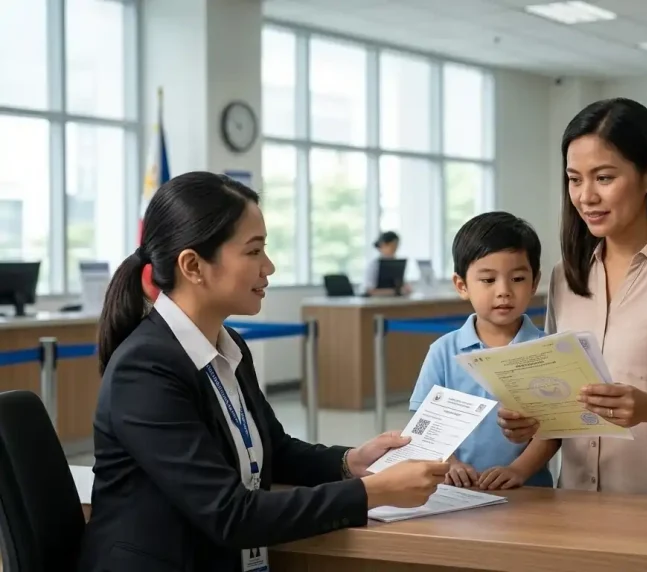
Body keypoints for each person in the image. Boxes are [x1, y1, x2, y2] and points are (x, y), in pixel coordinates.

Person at [78, 172, 449, 572]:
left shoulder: (228, 344)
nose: (268, 267)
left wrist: (352, 462)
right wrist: (370, 492)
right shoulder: (145, 370)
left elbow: (275, 450)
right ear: (193, 265)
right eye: (253, 251)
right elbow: (229, 514)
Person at [498, 97, 647, 499]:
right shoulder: (566, 276)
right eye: (574, 180)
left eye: (604, 178)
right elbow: (560, 400)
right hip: (575, 507)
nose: (586, 196)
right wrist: (534, 419)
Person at [409, 211, 558, 490]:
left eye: (517, 279)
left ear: (535, 282)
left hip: (528, 490)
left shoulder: (547, 350)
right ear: (462, 285)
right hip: (455, 490)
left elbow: (555, 429)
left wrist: (518, 470)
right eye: (488, 280)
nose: (504, 291)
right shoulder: (444, 351)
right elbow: (424, 420)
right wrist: (450, 463)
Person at [363, 230, 410, 296]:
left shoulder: (397, 265)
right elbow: (370, 290)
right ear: (382, 246)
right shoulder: (373, 265)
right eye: (391, 246)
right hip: (376, 302)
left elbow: (400, 284)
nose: (394, 249)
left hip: (394, 301)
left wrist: (406, 288)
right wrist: (395, 291)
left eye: (396, 246)